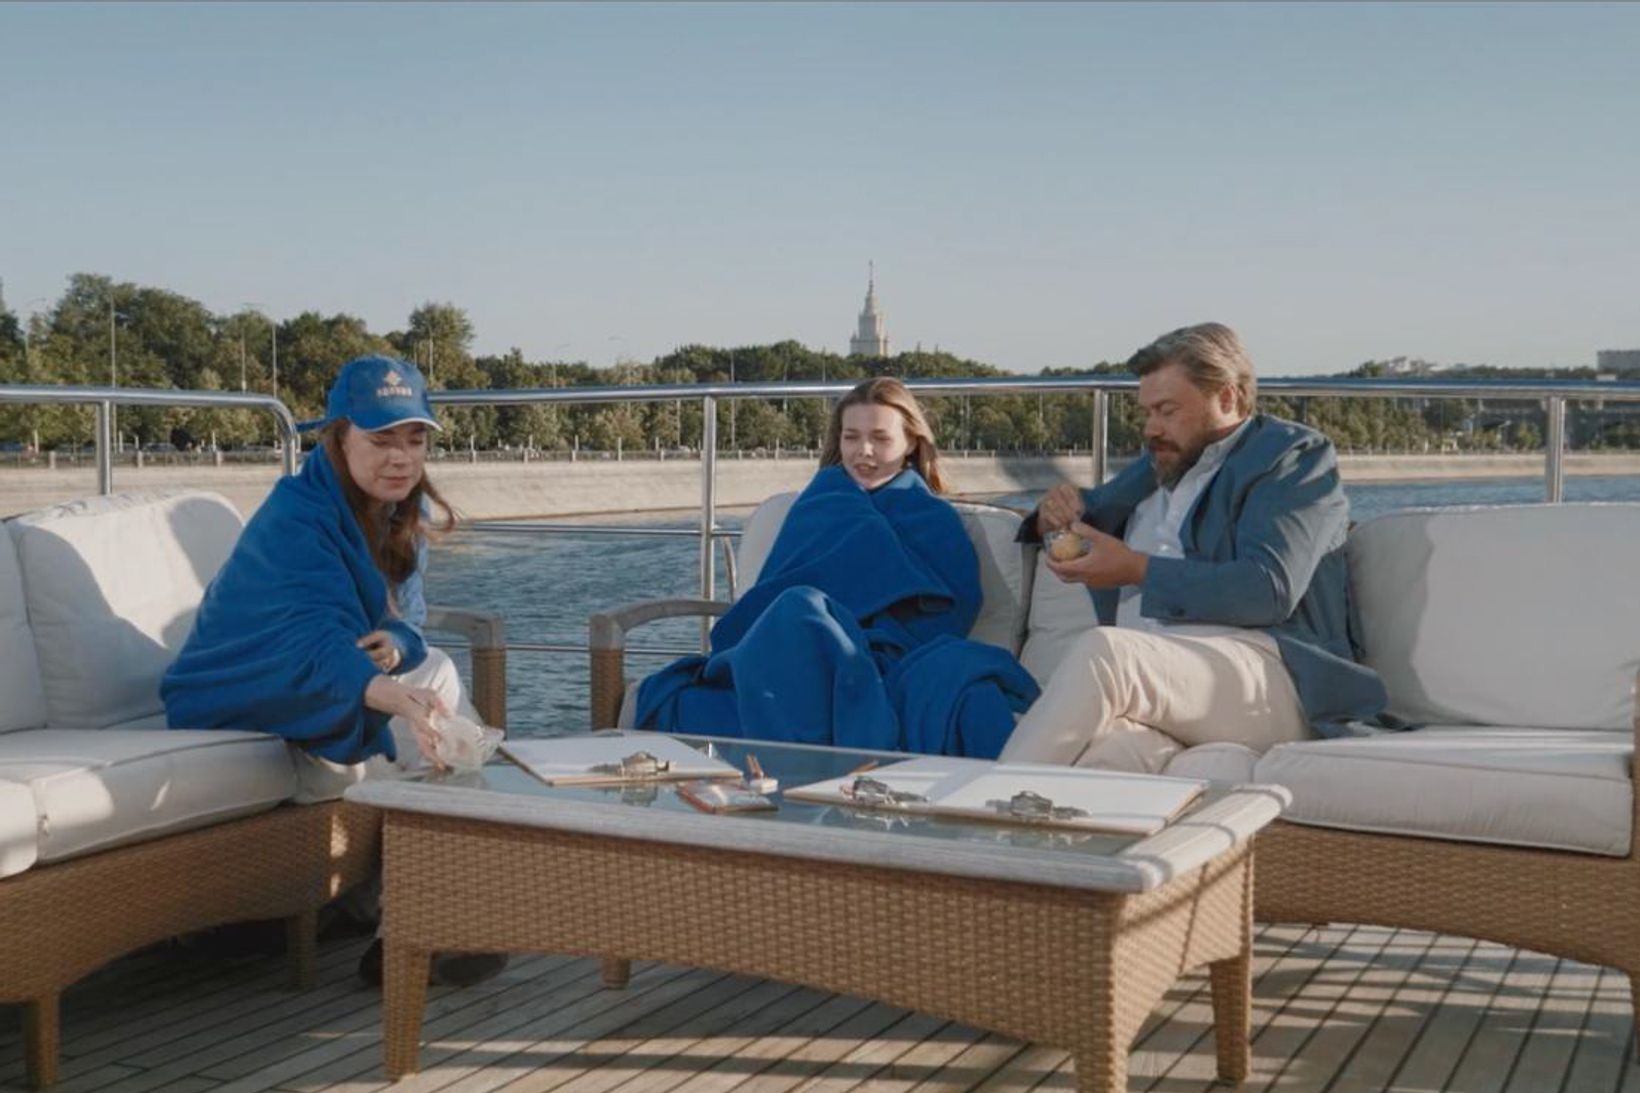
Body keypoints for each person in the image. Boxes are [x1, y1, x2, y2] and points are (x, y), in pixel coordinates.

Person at [162, 354, 505, 987]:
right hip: (249, 691)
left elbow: (408, 620)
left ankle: (405, 915)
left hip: (331, 684)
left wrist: (396, 644)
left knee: (438, 693)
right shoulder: (294, 518)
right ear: (338, 438)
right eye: (381, 440)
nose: (401, 458)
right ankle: (412, 920)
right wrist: (387, 693)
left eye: (415, 439)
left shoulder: (400, 516)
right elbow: (300, 639)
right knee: (432, 709)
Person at [1000, 323, 1387, 773]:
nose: (1151, 428)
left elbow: (1268, 588)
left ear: (1227, 397)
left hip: (1276, 675)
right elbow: (1087, 511)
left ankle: (979, 805)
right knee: (1110, 756)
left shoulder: (1292, 457)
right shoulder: (1159, 465)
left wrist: (1137, 569)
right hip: (1170, 683)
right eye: (1146, 412)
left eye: (1166, 410)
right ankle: (997, 815)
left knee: (1107, 654)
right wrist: (1052, 514)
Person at [634, 377, 1038, 757]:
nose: (864, 451)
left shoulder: (934, 518)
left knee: (806, 609)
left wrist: (862, 634)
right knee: (798, 605)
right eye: (851, 437)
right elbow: (773, 593)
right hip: (795, 647)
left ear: (911, 442)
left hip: (883, 654)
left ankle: (811, 756)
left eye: (880, 438)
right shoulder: (817, 505)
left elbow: (952, 607)